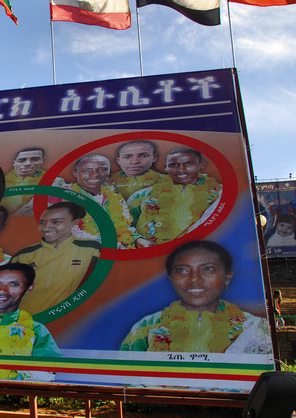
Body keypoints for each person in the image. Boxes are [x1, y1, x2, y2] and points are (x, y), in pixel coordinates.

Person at [120, 240, 272, 353]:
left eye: (208, 269)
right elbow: (124, 376)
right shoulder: (147, 326)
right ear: (171, 277)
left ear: (227, 276)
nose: (194, 279)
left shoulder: (253, 327)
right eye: (182, 270)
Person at [11, 202, 99, 314]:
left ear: (74, 222)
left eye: (56, 222)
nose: (46, 228)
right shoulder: (23, 255)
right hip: (24, 321)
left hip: (67, 319)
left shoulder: (92, 249)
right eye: (42, 223)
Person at [57, 154, 150, 249]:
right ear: (75, 173)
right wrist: (101, 243)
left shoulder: (114, 198)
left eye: (102, 169)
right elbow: (60, 233)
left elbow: (123, 227)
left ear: (109, 173)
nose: (95, 174)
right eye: (87, 170)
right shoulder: (62, 198)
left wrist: (137, 239)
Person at [132, 148, 222, 245]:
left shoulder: (220, 195)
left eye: (188, 163)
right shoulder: (141, 196)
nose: (181, 169)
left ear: (201, 164)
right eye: (174, 165)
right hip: (153, 253)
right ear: (166, 167)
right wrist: (138, 239)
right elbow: (124, 226)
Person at [1, 147, 63, 216]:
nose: (27, 163)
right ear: (14, 162)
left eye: (35, 159)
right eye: (21, 160)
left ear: (42, 160)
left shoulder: (55, 182)